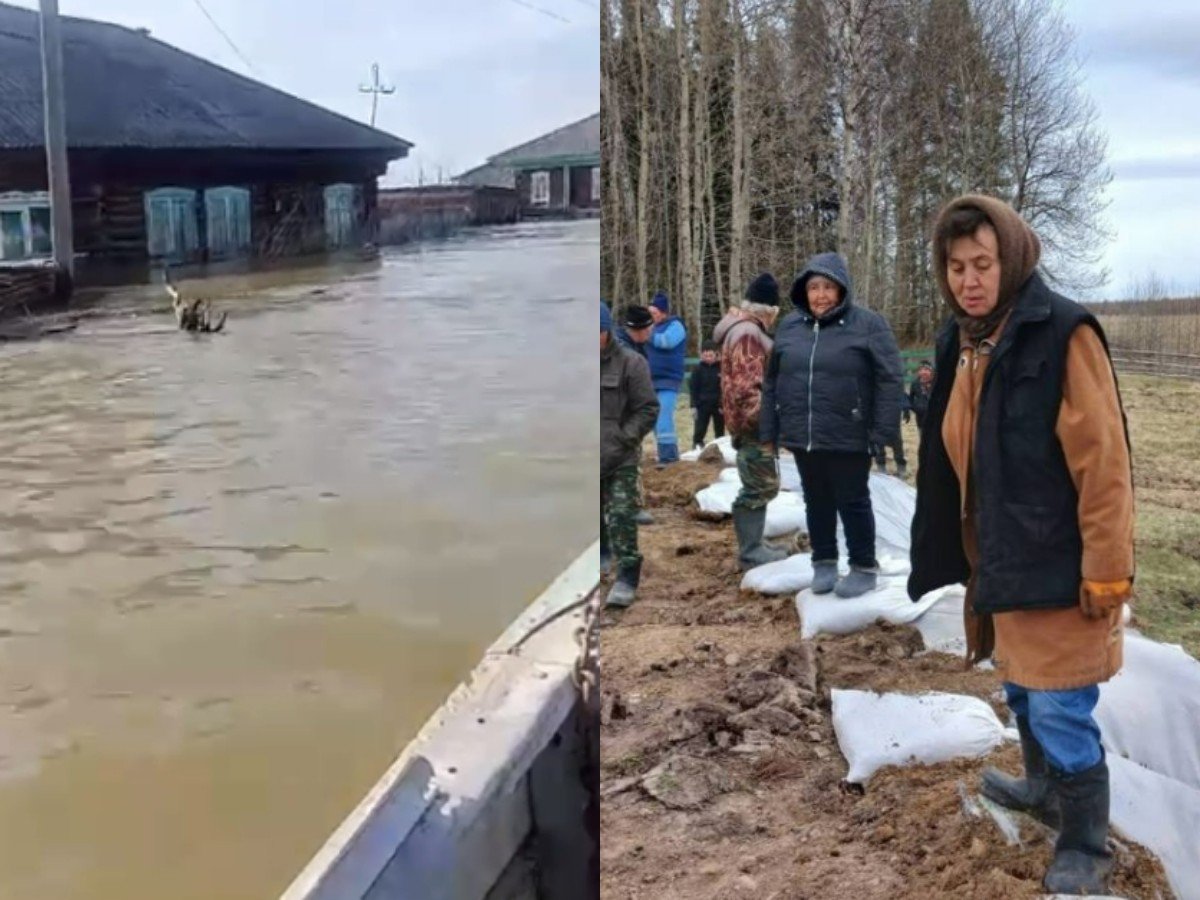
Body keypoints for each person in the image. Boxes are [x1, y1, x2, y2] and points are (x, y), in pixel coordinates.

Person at [908, 195, 1134, 895]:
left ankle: (1086, 846)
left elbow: (1104, 464)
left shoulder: (1063, 332)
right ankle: (1041, 791)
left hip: (1059, 564)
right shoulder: (966, 339)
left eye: (983, 263)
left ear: (1013, 259)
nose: (968, 280)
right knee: (1022, 690)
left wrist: (1108, 568)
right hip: (1000, 558)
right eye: (955, 267)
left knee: (1062, 703)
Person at [761, 253, 903, 597]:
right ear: (803, 291)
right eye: (813, 287)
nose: (820, 295)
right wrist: (770, 430)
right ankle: (823, 562)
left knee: (853, 501)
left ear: (841, 290)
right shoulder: (791, 327)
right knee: (816, 500)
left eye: (827, 287)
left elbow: (890, 378)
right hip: (802, 434)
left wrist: (882, 432)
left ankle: (863, 566)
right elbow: (772, 382)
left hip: (850, 432)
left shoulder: (868, 324)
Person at [717, 274, 789, 570]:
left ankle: (755, 543)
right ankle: (750, 550)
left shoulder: (738, 331)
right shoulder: (748, 334)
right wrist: (766, 424)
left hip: (744, 424)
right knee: (760, 487)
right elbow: (748, 389)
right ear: (769, 312)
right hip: (754, 426)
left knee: (760, 485)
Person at [601, 301, 659, 608]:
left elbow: (648, 408)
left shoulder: (631, 364)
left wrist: (626, 437)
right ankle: (600, 556)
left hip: (619, 455)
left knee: (622, 514)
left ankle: (626, 575)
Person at [646, 291, 687, 465]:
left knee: (663, 416)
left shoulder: (676, 326)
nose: (651, 317)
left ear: (663, 312)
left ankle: (669, 457)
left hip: (668, 380)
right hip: (651, 380)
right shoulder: (652, 328)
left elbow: (666, 342)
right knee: (655, 419)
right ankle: (664, 453)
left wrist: (645, 334)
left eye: (654, 313)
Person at [688, 341, 724, 450]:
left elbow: (724, 387)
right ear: (701, 355)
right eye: (705, 355)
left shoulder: (721, 368)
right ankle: (697, 445)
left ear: (716, 355)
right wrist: (693, 405)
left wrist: (723, 404)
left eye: (710, 355)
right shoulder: (697, 370)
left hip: (718, 405)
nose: (708, 358)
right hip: (702, 405)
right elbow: (693, 389)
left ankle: (720, 446)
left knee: (719, 428)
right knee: (700, 427)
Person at [907, 361, 934, 431]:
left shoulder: (936, 383)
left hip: (935, 419)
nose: (923, 372)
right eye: (921, 370)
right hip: (921, 419)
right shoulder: (915, 384)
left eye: (926, 370)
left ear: (931, 371)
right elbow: (910, 399)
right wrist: (915, 407)